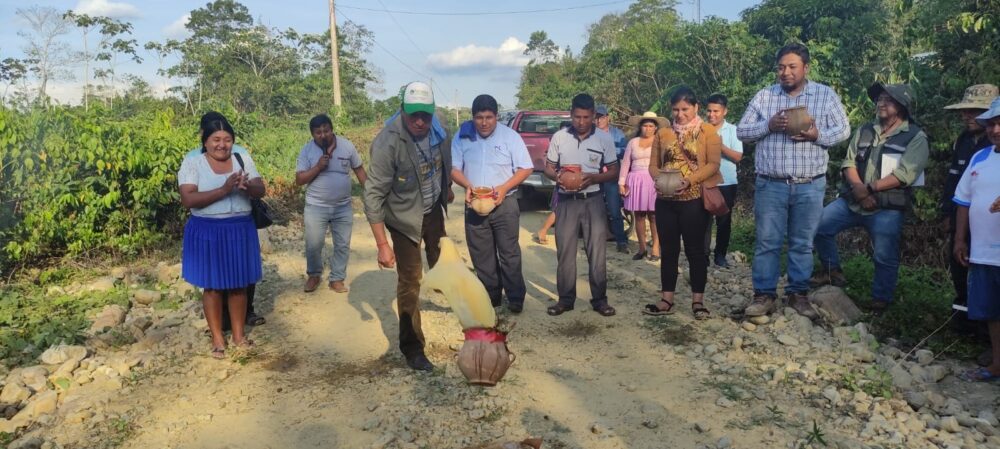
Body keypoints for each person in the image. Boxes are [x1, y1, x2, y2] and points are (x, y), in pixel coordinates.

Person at [737, 43, 851, 318]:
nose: (785, 72)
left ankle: (797, 294)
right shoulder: (765, 96)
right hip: (771, 183)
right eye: (781, 67)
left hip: (810, 184)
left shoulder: (824, 95)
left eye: (792, 67)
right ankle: (764, 295)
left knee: (803, 242)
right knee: (767, 241)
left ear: (805, 68)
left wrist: (817, 136)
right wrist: (768, 126)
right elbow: (742, 131)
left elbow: (844, 130)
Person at [811, 83, 929, 315]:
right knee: (819, 225)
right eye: (879, 99)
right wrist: (859, 189)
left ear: (902, 106)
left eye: (888, 100)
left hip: (886, 207)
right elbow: (849, 162)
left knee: (884, 255)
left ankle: (880, 301)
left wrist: (869, 189)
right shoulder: (865, 129)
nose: (881, 103)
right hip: (854, 200)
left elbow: (904, 175)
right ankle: (832, 271)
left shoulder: (916, 137)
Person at [363, 81, 453, 371]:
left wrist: (446, 188)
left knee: (443, 258)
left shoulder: (440, 127)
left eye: (425, 115)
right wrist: (382, 245)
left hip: (432, 208)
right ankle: (412, 348)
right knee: (411, 279)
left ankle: (450, 295)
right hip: (403, 217)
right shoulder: (387, 143)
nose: (420, 121)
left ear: (433, 111)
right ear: (402, 110)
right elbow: (373, 196)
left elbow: (445, 160)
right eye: (413, 115)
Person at [178, 116, 265, 359]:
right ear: (205, 141)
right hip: (208, 230)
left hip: (239, 229)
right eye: (216, 139)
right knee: (213, 287)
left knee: (239, 285)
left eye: (227, 139)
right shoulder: (193, 161)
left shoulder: (241, 157)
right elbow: (188, 199)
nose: (222, 145)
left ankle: (238, 336)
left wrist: (248, 187)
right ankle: (217, 338)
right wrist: (224, 190)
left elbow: (261, 189)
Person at [641, 87, 722, 320]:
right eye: (676, 109)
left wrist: (690, 181)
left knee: (696, 251)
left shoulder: (708, 132)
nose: (680, 114)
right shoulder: (663, 133)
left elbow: (713, 164)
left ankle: (698, 301)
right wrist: (659, 179)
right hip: (665, 200)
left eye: (685, 109)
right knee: (669, 251)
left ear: (696, 107)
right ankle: (667, 299)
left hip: (694, 200)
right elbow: (653, 165)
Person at [451, 94, 533, 313]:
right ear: (473, 117)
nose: (484, 123)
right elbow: (454, 169)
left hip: (505, 203)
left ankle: (515, 297)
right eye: (479, 118)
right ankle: (491, 297)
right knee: (481, 254)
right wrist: (467, 186)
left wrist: (504, 188)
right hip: (475, 203)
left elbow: (526, 168)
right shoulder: (463, 136)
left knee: (509, 253)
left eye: (489, 117)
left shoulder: (510, 137)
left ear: (496, 116)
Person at [544, 93, 619, 317]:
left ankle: (600, 300)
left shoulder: (603, 139)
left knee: (597, 253)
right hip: (566, 202)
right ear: (571, 114)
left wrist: (594, 178)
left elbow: (614, 171)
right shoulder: (559, 137)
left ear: (594, 115)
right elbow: (548, 167)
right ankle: (565, 300)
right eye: (577, 117)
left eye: (586, 117)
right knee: (565, 252)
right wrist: (558, 177)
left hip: (593, 200)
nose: (581, 122)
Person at [941, 84, 997, 333]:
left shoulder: (991, 143)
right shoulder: (963, 141)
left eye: (975, 111)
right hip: (963, 219)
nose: (967, 116)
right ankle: (966, 326)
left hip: (991, 230)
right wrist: (947, 214)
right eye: (965, 111)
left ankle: (986, 333)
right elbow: (954, 183)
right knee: (961, 269)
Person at [953, 97, 1000, 382]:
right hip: (983, 251)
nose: (996, 130)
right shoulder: (980, 157)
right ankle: (997, 363)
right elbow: (963, 200)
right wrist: (960, 240)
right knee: (992, 311)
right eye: (992, 124)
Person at [295, 114, 367, 293]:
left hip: (342, 206)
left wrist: (371, 193)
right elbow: (299, 179)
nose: (323, 135)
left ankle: (337, 279)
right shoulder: (306, 151)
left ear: (331, 129)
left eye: (326, 130)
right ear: (312, 134)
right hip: (316, 207)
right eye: (318, 132)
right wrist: (318, 167)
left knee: (342, 244)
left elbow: (359, 170)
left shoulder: (346, 146)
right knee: (313, 245)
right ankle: (314, 275)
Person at [703, 94, 743, 268]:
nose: (712, 115)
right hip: (704, 181)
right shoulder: (700, 129)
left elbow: (738, 157)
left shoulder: (733, 130)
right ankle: (703, 256)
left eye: (716, 111)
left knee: (724, 221)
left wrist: (719, 146)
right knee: (703, 220)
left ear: (725, 111)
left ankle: (720, 255)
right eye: (709, 111)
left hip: (727, 182)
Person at [620, 111, 668, 261]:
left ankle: (656, 248)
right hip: (636, 181)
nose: (648, 129)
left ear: (655, 128)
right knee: (639, 215)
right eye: (645, 126)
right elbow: (626, 163)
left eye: (651, 126)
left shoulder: (660, 142)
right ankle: (642, 248)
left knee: (654, 215)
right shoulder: (633, 143)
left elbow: (665, 163)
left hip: (653, 181)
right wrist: (621, 182)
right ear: (640, 127)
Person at [596, 104, 629, 253]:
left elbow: (624, 151)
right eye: (596, 118)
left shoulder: (617, 133)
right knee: (594, 210)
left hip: (612, 175)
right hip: (595, 176)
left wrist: (608, 150)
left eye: (601, 117)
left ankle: (621, 241)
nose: (599, 121)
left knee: (615, 209)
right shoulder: (590, 134)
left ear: (607, 118)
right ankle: (594, 241)